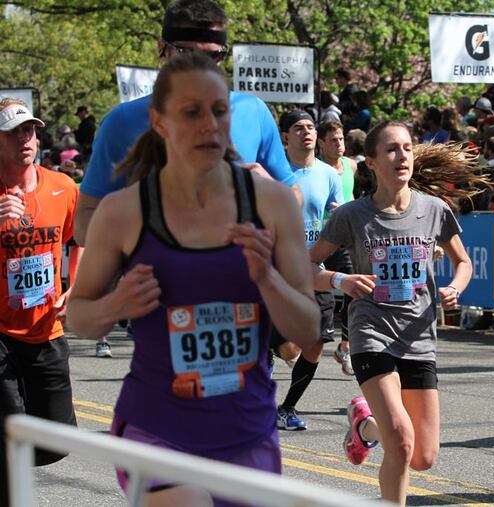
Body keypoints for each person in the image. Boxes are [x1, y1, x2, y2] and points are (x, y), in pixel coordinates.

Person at [66, 53, 320, 507]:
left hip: (246, 430)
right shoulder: (123, 211)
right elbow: (78, 318)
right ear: (160, 123)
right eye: (191, 112)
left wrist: (267, 279)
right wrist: (115, 305)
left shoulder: (273, 204)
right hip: (157, 427)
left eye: (219, 111)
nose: (209, 125)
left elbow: (307, 330)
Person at [75, 0, 296, 358]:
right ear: (162, 49)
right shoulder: (123, 122)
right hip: (162, 310)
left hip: (243, 304)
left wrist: (267, 191)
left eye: (212, 56)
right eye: (185, 52)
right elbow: (83, 223)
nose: (198, 65)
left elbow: (295, 197)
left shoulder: (252, 111)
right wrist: (139, 224)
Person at [309, 121, 473, 505]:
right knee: (399, 437)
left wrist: (454, 288)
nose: (402, 156)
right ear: (371, 162)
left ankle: (365, 425)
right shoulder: (352, 215)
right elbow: (303, 268)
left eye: (407, 148)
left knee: (423, 456)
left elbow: (463, 262)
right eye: (391, 150)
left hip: (418, 337)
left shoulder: (435, 210)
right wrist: (340, 281)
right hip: (372, 334)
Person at [0, 98, 80, 507]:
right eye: (13, 131)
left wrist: (74, 283)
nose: (24, 139)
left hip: (46, 324)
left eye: (29, 130)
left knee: (56, 440)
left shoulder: (62, 186)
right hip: (0, 331)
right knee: (10, 431)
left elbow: (78, 237)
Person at [271, 111, 343, 431]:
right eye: (298, 128)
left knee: (314, 343)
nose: (306, 133)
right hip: (276, 269)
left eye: (311, 127)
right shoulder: (272, 171)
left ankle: (287, 408)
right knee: (284, 346)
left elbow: (337, 214)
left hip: (315, 267)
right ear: (285, 136)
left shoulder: (329, 174)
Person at [317, 120, 357, 376]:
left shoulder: (351, 166)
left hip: (343, 240)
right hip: (317, 242)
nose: (339, 144)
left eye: (341, 138)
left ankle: (346, 345)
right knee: (316, 295)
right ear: (321, 143)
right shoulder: (315, 169)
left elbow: (353, 199)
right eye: (333, 140)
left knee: (355, 288)